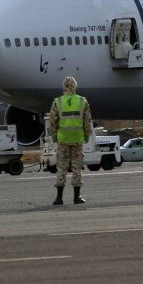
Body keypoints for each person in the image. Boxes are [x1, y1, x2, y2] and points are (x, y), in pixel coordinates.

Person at [49, 76, 92, 205]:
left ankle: (59, 198)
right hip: (77, 139)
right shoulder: (82, 101)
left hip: (63, 140)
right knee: (76, 168)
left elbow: (52, 122)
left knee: (62, 168)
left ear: (64, 87)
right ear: (75, 86)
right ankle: (76, 197)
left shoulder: (58, 102)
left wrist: (54, 137)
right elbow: (87, 122)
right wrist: (86, 136)